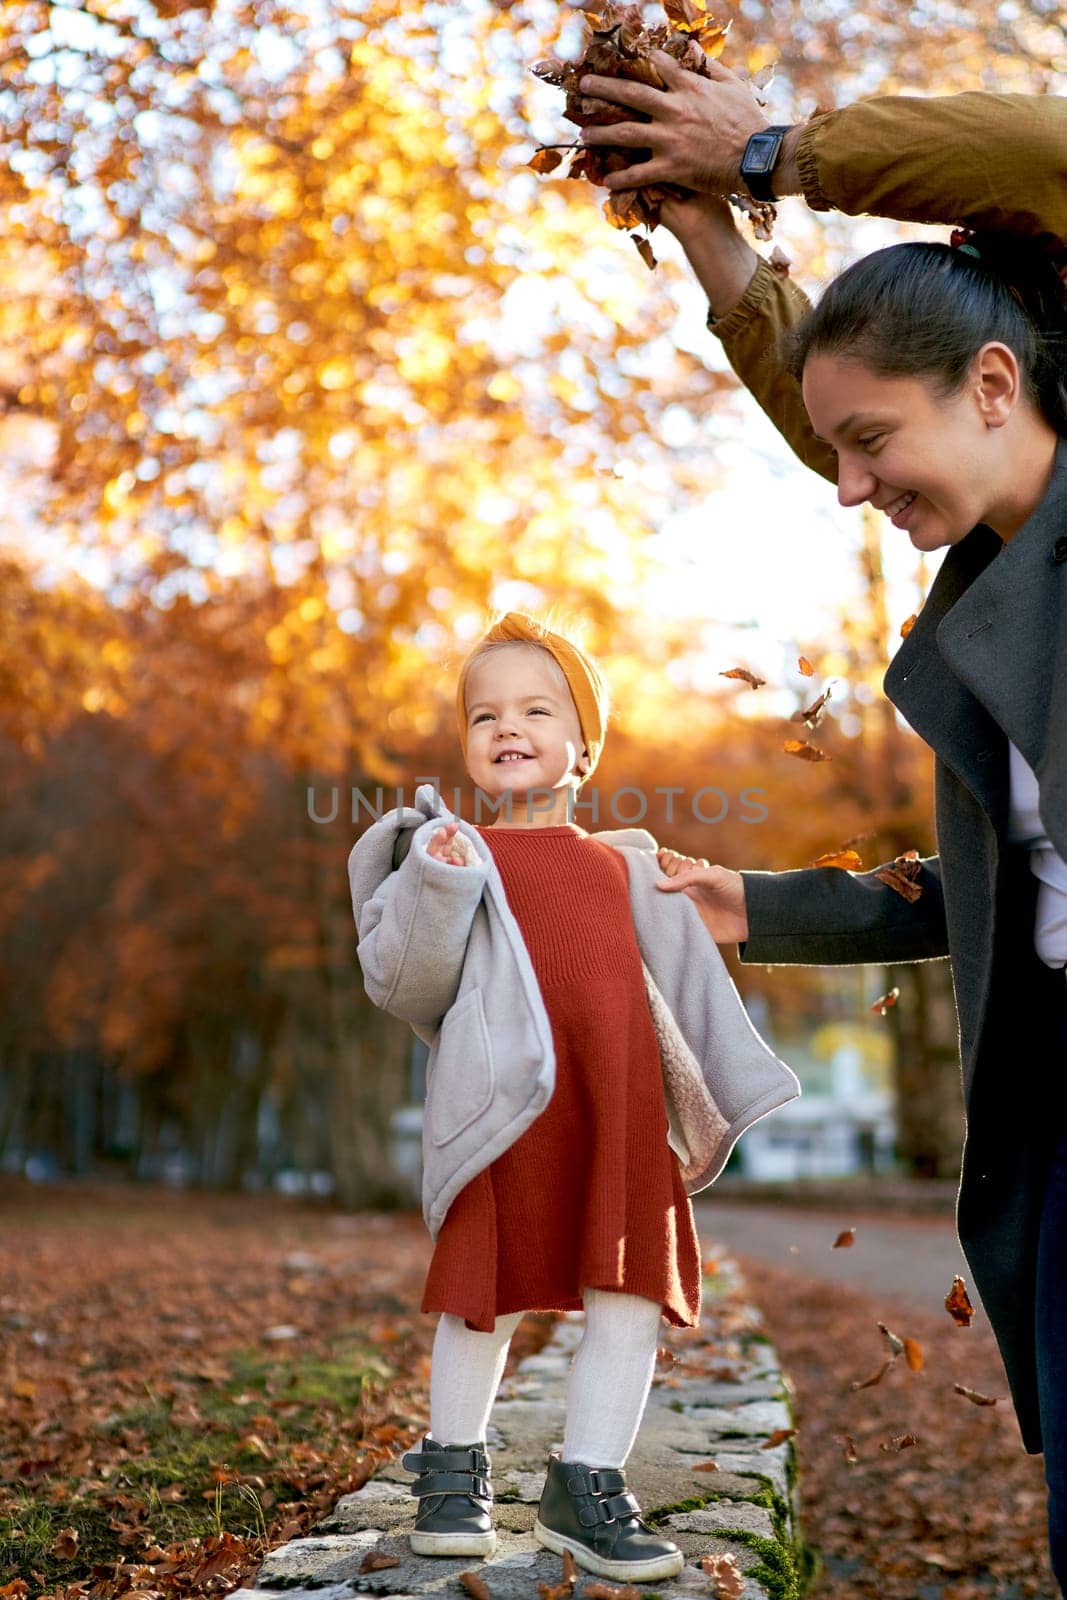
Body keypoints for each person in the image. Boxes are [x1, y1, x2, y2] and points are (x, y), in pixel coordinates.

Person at [581, 58, 1067, 1593]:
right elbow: (983, 891)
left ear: (997, 385)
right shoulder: (993, 580)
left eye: (870, 449)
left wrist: (776, 151)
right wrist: (748, 907)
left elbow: (1041, 151)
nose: (846, 489)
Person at [347, 609, 800, 1580]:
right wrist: (433, 881)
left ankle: (586, 1485)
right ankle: (451, 1468)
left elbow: (684, 983)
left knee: (628, 1295)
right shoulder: (454, 854)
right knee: (483, 1296)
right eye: (484, 716)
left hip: (616, 1106)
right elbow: (405, 981)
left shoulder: (627, 868)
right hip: (507, 1110)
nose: (508, 728)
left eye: (536, 709)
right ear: (467, 744)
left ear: (582, 741)